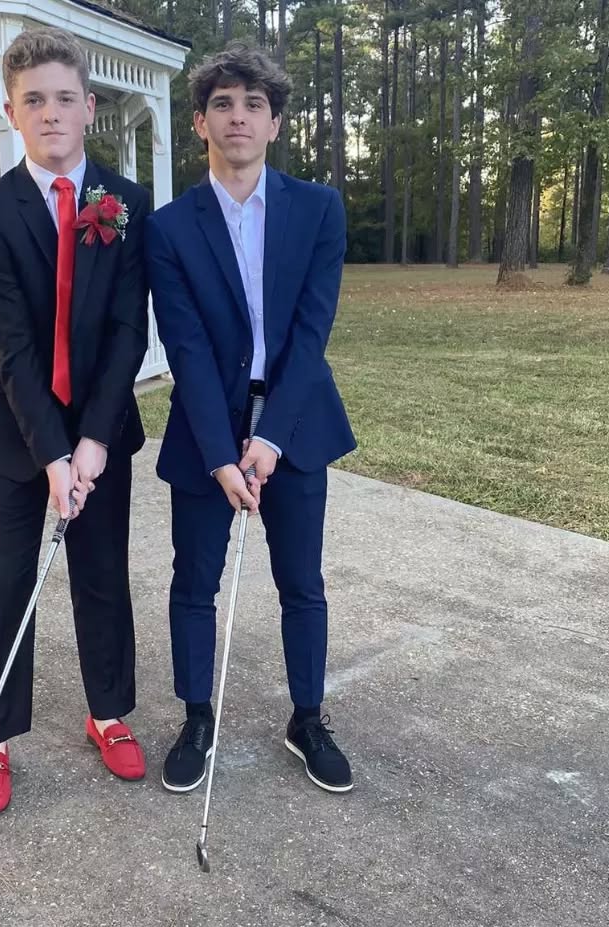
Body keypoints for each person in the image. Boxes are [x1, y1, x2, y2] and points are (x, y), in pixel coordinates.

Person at [144, 42, 358, 796]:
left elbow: (311, 331)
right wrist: (220, 453)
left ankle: (308, 718)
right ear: (200, 123)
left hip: (295, 420)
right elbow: (187, 347)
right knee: (193, 583)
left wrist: (268, 438)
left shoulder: (319, 209)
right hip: (206, 427)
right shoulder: (169, 228)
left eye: (254, 105)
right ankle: (197, 717)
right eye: (223, 105)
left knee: (302, 582)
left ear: (274, 123)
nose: (239, 117)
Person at [0, 27, 151, 815]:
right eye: (33, 100)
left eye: (64, 98)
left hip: (101, 425)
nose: (50, 113)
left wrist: (95, 441)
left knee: (102, 572)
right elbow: (8, 344)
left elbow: (128, 330)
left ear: (89, 107)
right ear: (12, 112)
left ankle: (107, 711)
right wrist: (53, 455)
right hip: (15, 432)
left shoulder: (126, 204)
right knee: (7, 580)